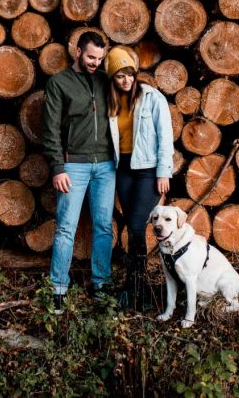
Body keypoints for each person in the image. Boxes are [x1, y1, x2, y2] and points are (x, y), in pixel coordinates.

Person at [42, 30, 115, 311]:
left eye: (99, 58)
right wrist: (58, 167)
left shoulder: (105, 80)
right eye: (91, 57)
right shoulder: (59, 83)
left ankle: (101, 284)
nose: (95, 62)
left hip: (106, 166)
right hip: (74, 166)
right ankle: (58, 287)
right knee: (66, 229)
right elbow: (50, 130)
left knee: (103, 227)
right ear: (78, 52)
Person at [105, 46, 173, 312]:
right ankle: (136, 286)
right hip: (123, 169)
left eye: (129, 74)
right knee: (132, 227)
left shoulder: (152, 97)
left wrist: (163, 171)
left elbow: (165, 135)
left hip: (147, 170)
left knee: (135, 224)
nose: (126, 80)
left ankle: (136, 285)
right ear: (112, 78)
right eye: (120, 76)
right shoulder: (110, 101)